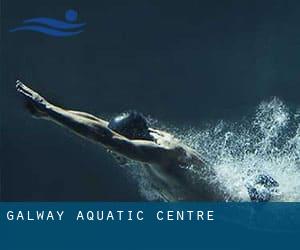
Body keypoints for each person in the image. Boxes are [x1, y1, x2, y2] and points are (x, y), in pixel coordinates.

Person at [15, 80, 277, 201]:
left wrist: (48, 109)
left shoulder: (161, 154)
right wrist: (51, 113)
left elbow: (105, 137)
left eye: (115, 146)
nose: (111, 151)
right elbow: (99, 126)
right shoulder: (146, 139)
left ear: (132, 140)